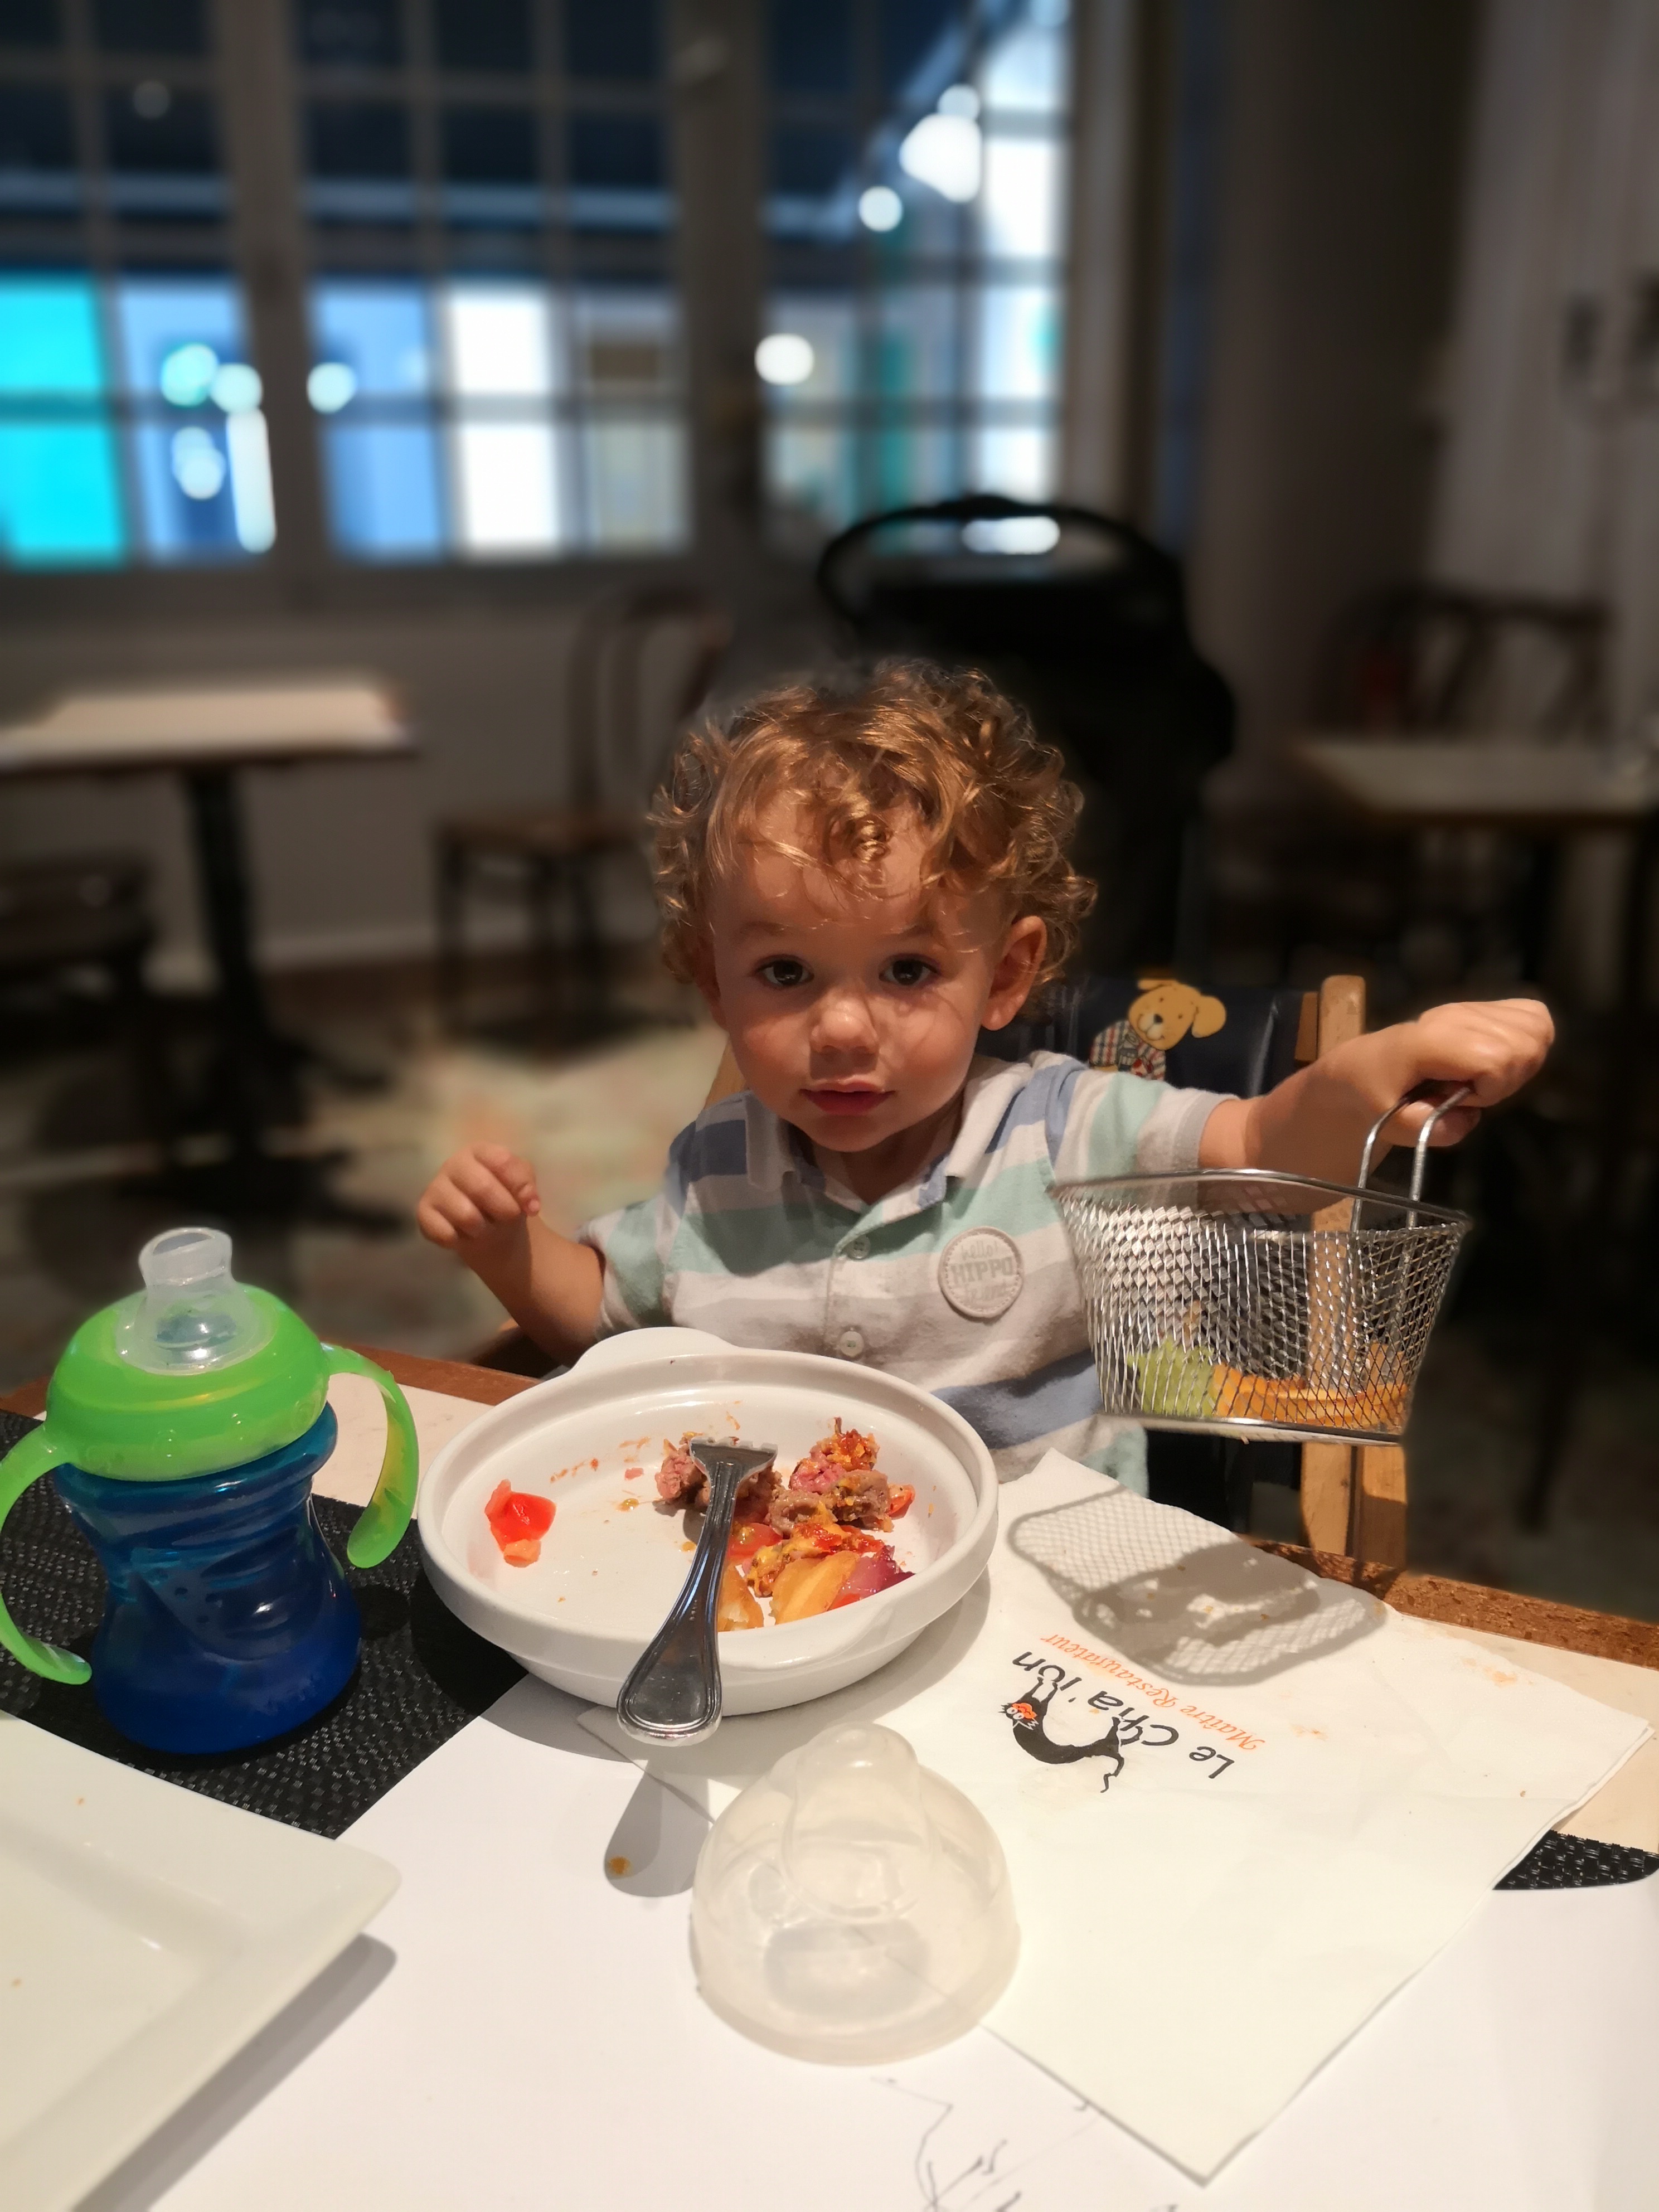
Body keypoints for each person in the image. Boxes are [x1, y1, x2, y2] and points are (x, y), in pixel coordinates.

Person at [417, 663, 1553, 1488]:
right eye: (785, 973)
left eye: (908, 970)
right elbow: (604, 1323)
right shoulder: (715, 1170)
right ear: (716, 988)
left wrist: (1367, 1080)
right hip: (789, 1591)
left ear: (1003, 977)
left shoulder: (1067, 1131)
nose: (843, 1028)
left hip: (1036, 1612)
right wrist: (508, 1250)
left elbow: (1262, 1147)